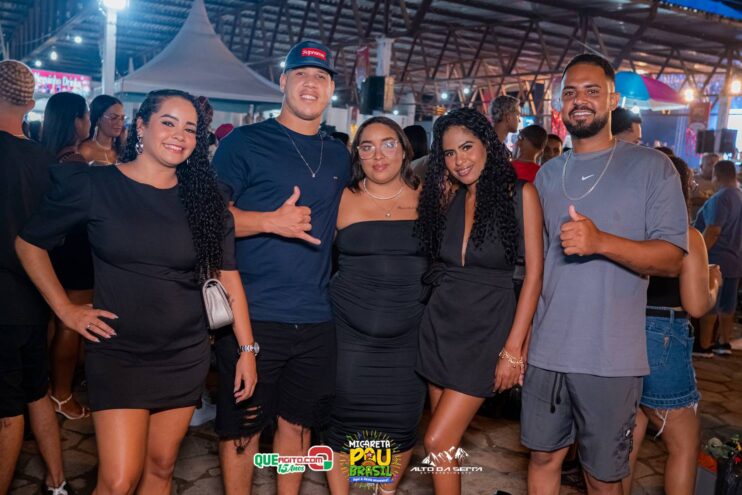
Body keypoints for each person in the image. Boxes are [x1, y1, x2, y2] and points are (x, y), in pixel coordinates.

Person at [17, 89, 257, 494]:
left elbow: (228, 276)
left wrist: (247, 350)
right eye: (168, 122)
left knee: (161, 467)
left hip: (184, 353)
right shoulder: (95, 185)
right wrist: (66, 310)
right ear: (141, 126)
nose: (180, 135)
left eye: (190, 129)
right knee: (118, 480)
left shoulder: (206, 199)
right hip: (119, 352)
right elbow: (29, 244)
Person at [521, 53, 688, 495]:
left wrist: (601, 242)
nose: (580, 100)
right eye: (571, 92)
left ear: (613, 100)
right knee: (543, 458)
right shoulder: (547, 175)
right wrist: (521, 343)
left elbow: (672, 258)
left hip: (610, 357)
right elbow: (536, 268)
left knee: (601, 476)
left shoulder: (652, 167)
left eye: (592, 91)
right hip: (547, 350)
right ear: (560, 104)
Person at [212, 40, 350, 495]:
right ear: (283, 81)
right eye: (301, 74)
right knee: (243, 430)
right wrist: (271, 221)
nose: (311, 83)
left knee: (298, 426)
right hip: (253, 315)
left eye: (321, 77)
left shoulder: (338, 154)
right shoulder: (245, 142)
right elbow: (206, 218)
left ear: (331, 89)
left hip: (316, 317)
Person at [415, 107, 543, 495]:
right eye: (449, 153)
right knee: (445, 445)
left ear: (487, 143)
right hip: (440, 325)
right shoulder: (448, 197)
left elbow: (535, 276)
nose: (459, 160)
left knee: (436, 440)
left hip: (487, 329)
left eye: (467, 147)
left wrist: (514, 349)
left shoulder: (520, 194)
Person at [324, 117, 426, 495]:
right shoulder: (340, 199)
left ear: (404, 150)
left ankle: (378, 489)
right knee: (345, 423)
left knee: (394, 426)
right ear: (358, 156)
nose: (378, 155)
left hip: (407, 341)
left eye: (388, 144)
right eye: (367, 147)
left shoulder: (428, 198)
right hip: (349, 338)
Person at [622, 155, 721, 495]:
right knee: (684, 444)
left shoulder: (626, 230)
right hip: (663, 337)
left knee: (628, 438)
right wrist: (714, 284)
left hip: (623, 333)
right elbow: (696, 304)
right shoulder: (686, 235)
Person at [0, 59, 71, 495]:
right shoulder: (45, 160)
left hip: (3, 300)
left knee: (6, 411)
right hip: (33, 296)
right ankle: (58, 482)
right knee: (36, 391)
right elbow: (57, 237)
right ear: (30, 104)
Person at [40, 92, 93, 420]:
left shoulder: (44, 154)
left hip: (53, 249)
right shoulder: (73, 161)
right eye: (85, 115)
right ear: (75, 121)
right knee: (72, 322)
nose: (89, 121)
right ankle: (62, 394)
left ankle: (50, 387)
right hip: (75, 249)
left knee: (56, 320)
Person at [694, 160, 742, 357]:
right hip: (735, 259)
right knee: (728, 304)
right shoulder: (739, 196)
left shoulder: (721, 198)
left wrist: (698, 254)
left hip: (715, 258)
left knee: (711, 302)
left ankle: (705, 345)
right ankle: (724, 342)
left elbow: (713, 230)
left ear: (716, 175)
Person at [78, 95, 125, 165]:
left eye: (122, 118)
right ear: (98, 119)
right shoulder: (85, 151)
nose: (119, 123)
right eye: (113, 117)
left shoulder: (120, 151)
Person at [690, 153, 720, 221]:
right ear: (701, 166)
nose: (713, 168)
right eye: (710, 164)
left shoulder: (721, 184)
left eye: (716, 165)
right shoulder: (692, 180)